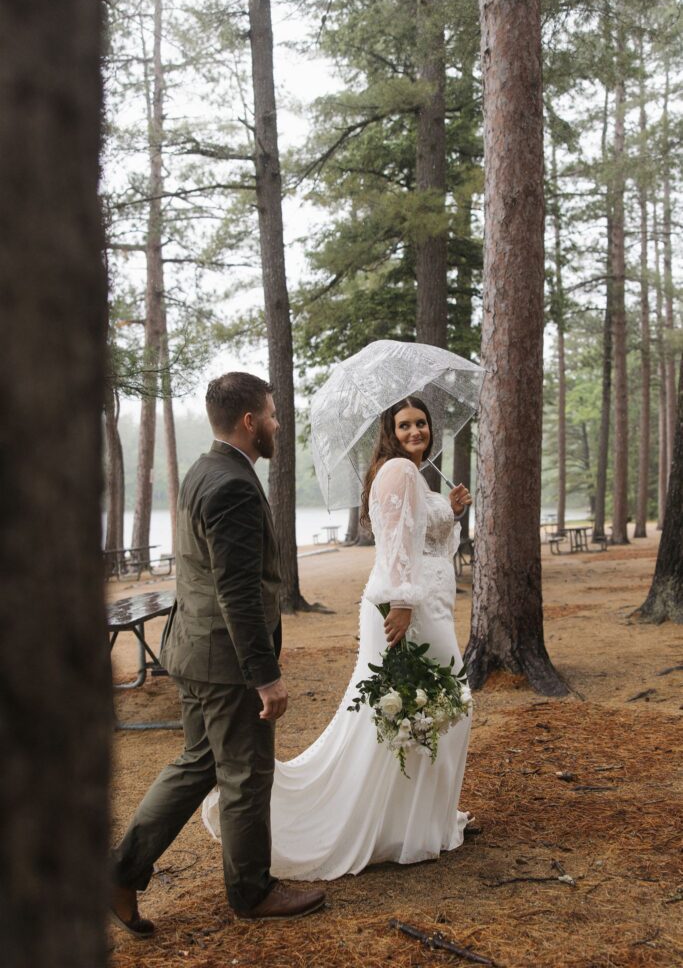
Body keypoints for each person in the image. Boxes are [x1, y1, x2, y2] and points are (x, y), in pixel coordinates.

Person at [202, 395, 473, 879]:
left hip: (428, 605)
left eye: (422, 424)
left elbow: (421, 536)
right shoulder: (399, 471)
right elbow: (394, 544)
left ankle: (419, 820)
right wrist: (403, 604)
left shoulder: (414, 474)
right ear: (390, 431)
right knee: (432, 708)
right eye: (405, 425)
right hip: (408, 610)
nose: (416, 432)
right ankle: (399, 825)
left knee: (423, 712)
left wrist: (449, 512)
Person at [110, 372, 325, 937]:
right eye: (273, 415)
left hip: (195, 651)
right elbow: (236, 590)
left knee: (199, 762)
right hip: (226, 662)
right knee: (246, 775)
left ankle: (119, 872)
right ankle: (252, 892)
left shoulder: (205, 469)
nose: (278, 423)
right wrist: (266, 677)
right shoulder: (230, 483)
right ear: (250, 422)